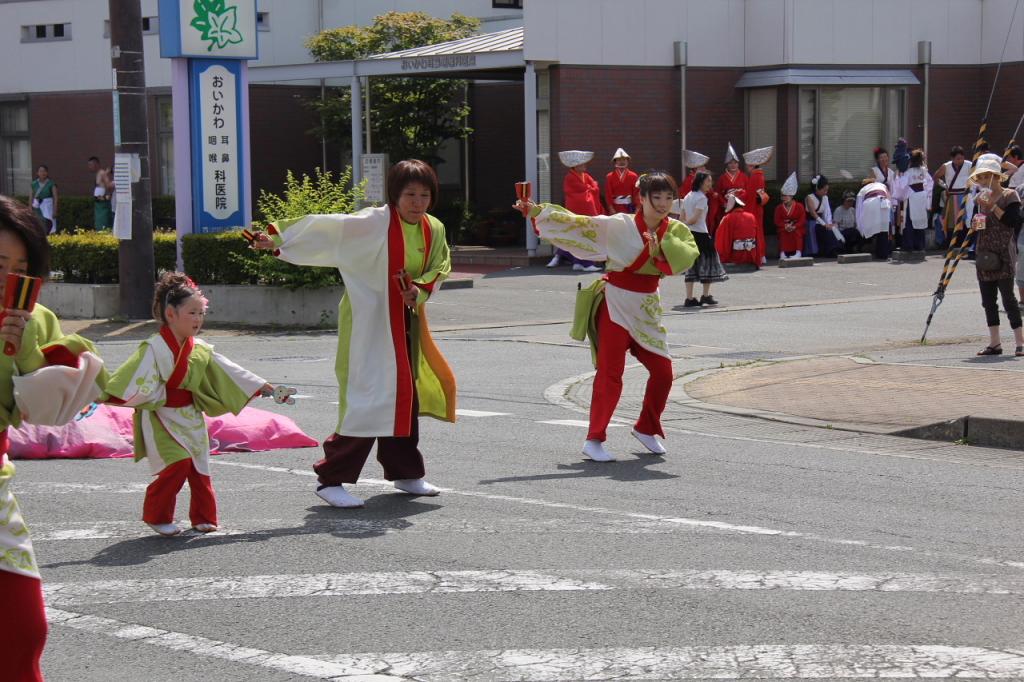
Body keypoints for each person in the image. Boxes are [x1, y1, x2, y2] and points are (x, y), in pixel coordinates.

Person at [253, 159, 456, 508]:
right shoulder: (374, 223)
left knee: (404, 396)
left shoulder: (432, 228)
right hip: (369, 321)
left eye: (425, 195)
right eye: (410, 194)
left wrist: (418, 291)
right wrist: (278, 240)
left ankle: (406, 472)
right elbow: (330, 230)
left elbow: (441, 266)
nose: (417, 202)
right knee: (369, 396)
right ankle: (331, 478)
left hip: (406, 323)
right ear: (395, 195)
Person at [0, 195, 110, 681]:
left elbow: (45, 405)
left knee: (24, 628)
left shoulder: (34, 316)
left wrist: (35, 352)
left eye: (22, 265)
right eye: (0, 263)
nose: (10, 276)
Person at [517, 172, 698, 462]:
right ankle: (594, 438)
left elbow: (684, 258)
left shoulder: (676, 230)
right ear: (642, 198)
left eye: (668, 197)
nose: (663, 203)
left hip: (648, 308)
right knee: (610, 374)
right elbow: (579, 224)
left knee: (663, 373)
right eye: (657, 197)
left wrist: (659, 247)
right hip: (614, 302)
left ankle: (646, 427)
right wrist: (537, 211)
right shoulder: (619, 225)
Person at [102, 273, 277, 535]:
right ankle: (156, 514)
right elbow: (130, 378)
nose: (197, 319)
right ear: (170, 314)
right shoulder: (153, 347)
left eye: (201, 313)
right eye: (191, 313)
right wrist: (106, 393)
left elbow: (229, 372)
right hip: (160, 414)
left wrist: (261, 386)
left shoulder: (201, 348)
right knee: (178, 463)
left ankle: (203, 517)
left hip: (190, 414)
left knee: (199, 466)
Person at [968, 158, 1024, 356]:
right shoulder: (979, 199)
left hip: (1004, 251)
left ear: (995, 177)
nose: (983, 181)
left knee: (1008, 298)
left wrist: (992, 206)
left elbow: (1013, 221)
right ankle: (995, 343)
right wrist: (976, 223)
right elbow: (978, 224)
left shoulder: (1010, 195)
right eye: (980, 177)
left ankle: (1020, 342)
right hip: (984, 251)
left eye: (986, 176)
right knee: (988, 300)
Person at [673, 171, 727, 306]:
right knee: (707, 263)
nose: (710, 184)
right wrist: (687, 223)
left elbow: (682, 218)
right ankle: (705, 295)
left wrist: (684, 226)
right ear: (701, 182)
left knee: (690, 265)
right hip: (701, 234)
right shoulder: (702, 198)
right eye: (708, 181)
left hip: (689, 234)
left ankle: (689, 298)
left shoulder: (687, 196)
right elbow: (694, 219)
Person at [551, 150, 602, 272]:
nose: (585, 166)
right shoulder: (570, 177)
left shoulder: (586, 176)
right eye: (582, 164)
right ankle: (586, 264)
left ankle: (578, 262)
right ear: (575, 165)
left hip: (584, 210)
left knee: (580, 236)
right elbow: (583, 189)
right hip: (576, 209)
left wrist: (590, 188)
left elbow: (594, 187)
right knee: (583, 236)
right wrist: (591, 187)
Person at [934, 145, 973, 249]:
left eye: (961, 158)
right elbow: (936, 177)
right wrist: (944, 186)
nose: (960, 160)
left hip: (966, 196)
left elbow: (975, 178)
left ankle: (965, 243)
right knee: (952, 221)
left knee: (966, 220)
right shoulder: (946, 166)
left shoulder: (969, 165)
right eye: (957, 159)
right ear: (952, 158)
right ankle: (951, 243)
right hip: (952, 196)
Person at [895, 148, 933, 252]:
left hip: (912, 197)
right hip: (922, 196)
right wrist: (928, 197)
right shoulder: (924, 171)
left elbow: (902, 186)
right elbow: (930, 183)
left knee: (910, 221)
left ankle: (909, 245)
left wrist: (898, 177)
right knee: (920, 221)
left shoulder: (908, 172)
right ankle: (919, 245)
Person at [743, 146, 773, 265]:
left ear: (751, 165)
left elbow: (750, 194)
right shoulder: (759, 175)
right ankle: (761, 254)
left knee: (755, 231)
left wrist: (739, 195)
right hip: (757, 207)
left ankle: (759, 254)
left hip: (753, 208)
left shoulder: (755, 176)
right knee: (758, 230)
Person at [714, 192, 760, 268]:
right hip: (751, 254)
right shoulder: (751, 216)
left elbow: (722, 239)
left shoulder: (728, 218)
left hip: (736, 255)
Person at [713, 144, 748, 230]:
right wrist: (723, 203)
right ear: (727, 164)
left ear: (738, 164)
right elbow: (717, 193)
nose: (733, 165)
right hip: (727, 208)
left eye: (735, 163)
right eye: (730, 163)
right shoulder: (722, 178)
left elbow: (748, 191)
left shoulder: (744, 177)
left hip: (741, 208)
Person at [805, 175, 840, 257]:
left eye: (827, 190)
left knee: (832, 229)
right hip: (811, 222)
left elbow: (827, 212)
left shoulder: (825, 198)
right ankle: (822, 251)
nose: (826, 192)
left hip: (821, 222)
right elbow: (813, 213)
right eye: (824, 190)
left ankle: (834, 249)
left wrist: (829, 223)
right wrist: (824, 224)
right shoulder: (809, 197)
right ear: (817, 188)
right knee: (823, 229)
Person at [774, 172, 805, 260]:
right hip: (784, 226)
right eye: (783, 196)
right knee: (783, 232)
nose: (784, 198)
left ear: (791, 196)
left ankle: (798, 252)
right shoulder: (779, 208)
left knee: (797, 232)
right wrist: (785, 226)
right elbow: (777, 221)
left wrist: (795, 226)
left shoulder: (799, 206)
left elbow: (802, 220)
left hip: (796, 226)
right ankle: (783, 252)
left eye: (786, 196)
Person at [604, 148, 639, 214]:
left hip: (630, 207)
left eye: (624, 159)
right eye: (619, 160)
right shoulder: (609, 176)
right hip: (615, 208)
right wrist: (611, 208)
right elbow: (608, 194)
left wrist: (637, 207)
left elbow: (636, 193)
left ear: (627, 161)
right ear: (615, 162)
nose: (622, 162)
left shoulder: (633, 176)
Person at [87, 155, 114, 230]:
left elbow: (108, 185)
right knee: (99, 223)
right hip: (98, 202)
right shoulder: (99, 173)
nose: (89, 167)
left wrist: (108, 196)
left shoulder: (102, 173)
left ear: (96, 164)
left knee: (103, 224)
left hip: (103, 202)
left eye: (91, 165)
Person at [30, 165, 58, 234]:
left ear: (47, 173)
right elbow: (31, 197)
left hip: (48, 207)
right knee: (38, 224)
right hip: (37, 207)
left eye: (44, 171)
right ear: (37, 173)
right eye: (41, 171)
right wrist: (30, 209)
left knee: (48, 224)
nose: (43, 173)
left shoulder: (51, 184)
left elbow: (55, 197)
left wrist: (55, 210)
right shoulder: (34, 184)